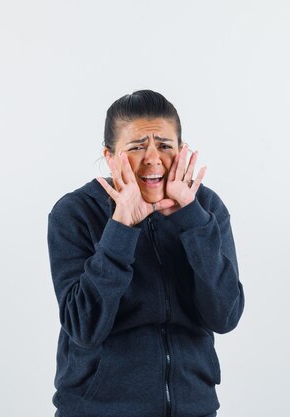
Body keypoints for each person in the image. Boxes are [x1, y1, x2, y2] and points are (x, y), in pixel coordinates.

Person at [47, 89, 244, 417]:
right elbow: (84, 327)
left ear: (182, 152)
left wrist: (192, 220)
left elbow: (224, 315)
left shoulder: (205, 208)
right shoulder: (75, 212)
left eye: (165, 146)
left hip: (194, 409)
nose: (153, 159)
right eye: (137, 147)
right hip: (97, 410)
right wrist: (121, 226)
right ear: (110, 156)